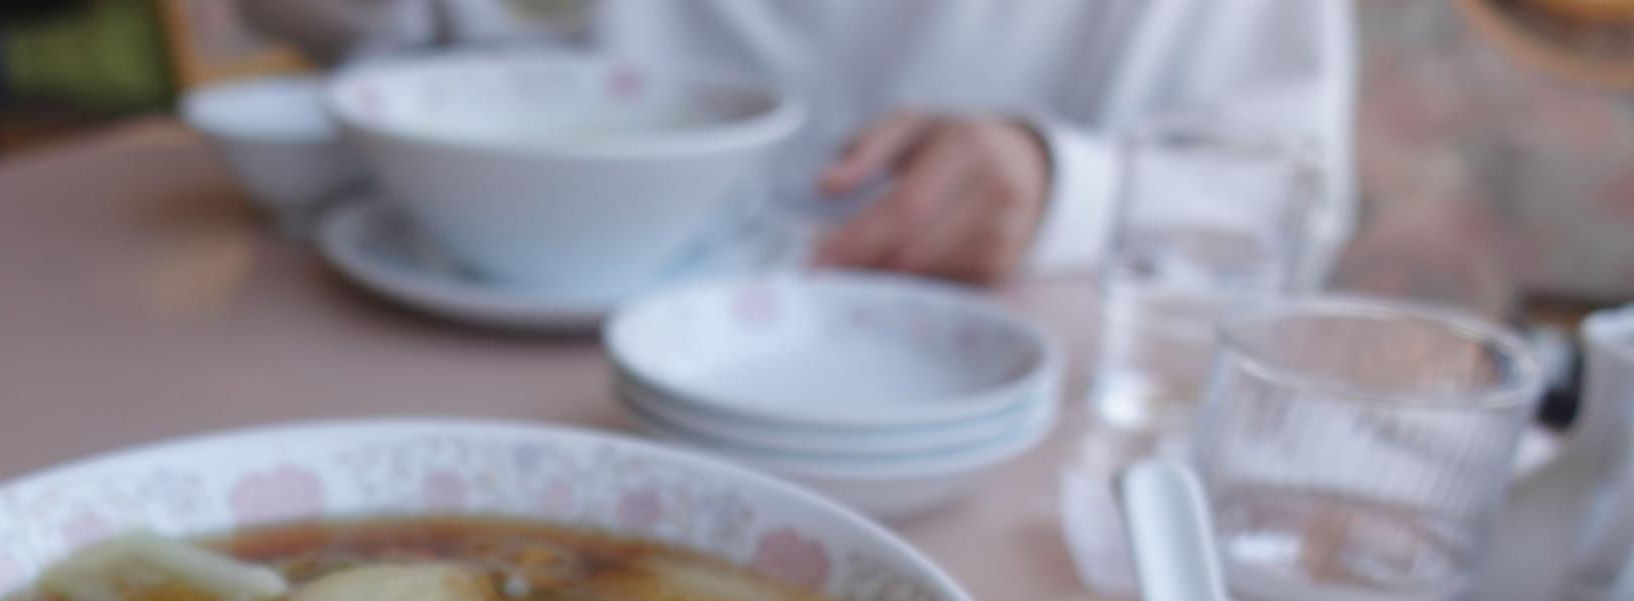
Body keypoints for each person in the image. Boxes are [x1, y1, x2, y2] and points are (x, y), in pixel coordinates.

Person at [237, 0, 1355, 285]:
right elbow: (412, 43)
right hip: (445, 324)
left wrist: (1054, 184)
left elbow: (1283, 205)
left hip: (946, 402)